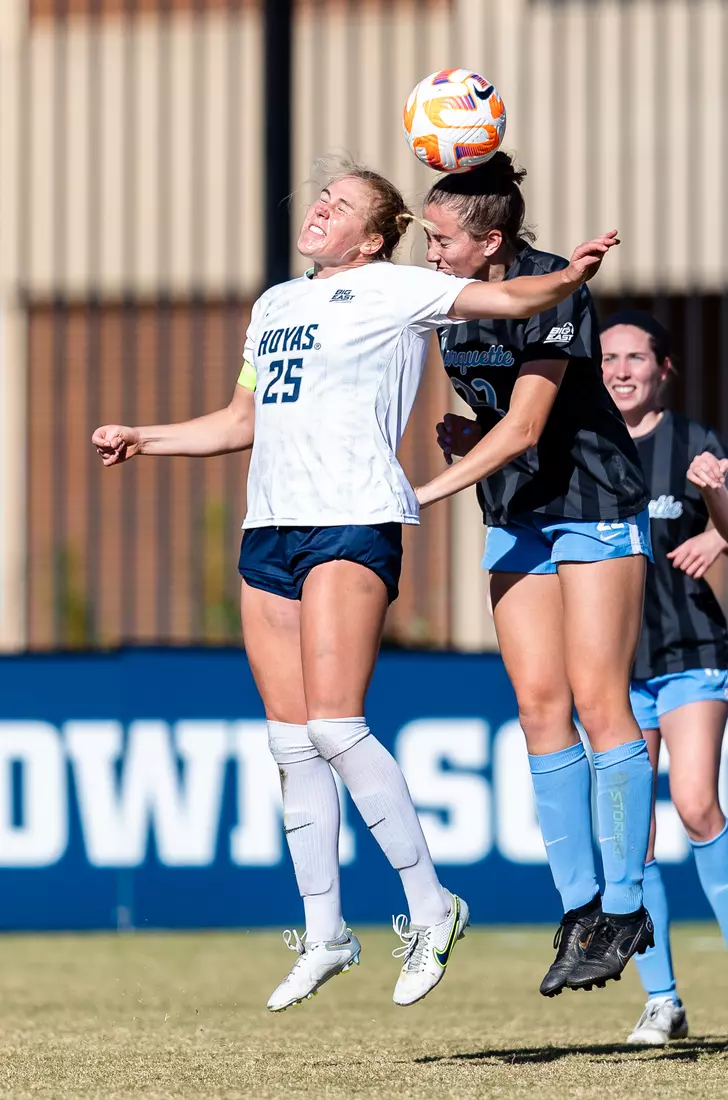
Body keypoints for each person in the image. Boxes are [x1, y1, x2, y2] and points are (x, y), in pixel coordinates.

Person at [92, 158, 616, 1013]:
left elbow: (513, 301)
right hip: (271, 526)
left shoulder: (396, 288)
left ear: (374, 237)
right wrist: (143, 437)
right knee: (291, 742)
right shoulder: (274, 305)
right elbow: (240, 422)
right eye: (320, 200)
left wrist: (568, 275)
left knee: (337, 726)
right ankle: (328, 933)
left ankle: (431, 907)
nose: (321, 209)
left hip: (352, 516)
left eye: (341, 206)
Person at [421, 152, 653, 996]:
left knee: (598, 700)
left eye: (441, 238)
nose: (430, 250)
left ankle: (626, 909)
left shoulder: (555, 285)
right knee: (537, 707)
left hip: (592, 503)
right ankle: (581, 908)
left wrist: (420, 492)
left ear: (491, 242)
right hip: (515, 513)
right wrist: (462, 433)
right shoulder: (449, 304)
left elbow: (523, 427)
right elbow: (493, 420)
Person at [600, 311, 728, 1045]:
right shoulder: (587, 446)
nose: (620, 370)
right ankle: (662, 1001)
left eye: (635, 358)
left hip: (689, 650)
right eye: (610, 357)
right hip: (616, 665)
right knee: (633, 838)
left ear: (663, 369)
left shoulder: (693, 445)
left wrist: (716, 514)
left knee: (695, 803)